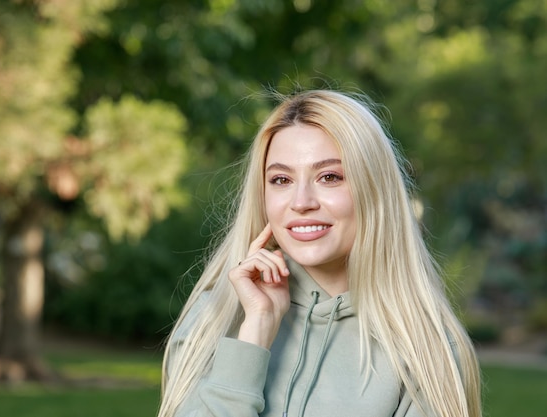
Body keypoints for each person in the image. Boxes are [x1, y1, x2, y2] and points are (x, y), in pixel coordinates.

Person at [157, 89, 482, 417]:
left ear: (373, 188)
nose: (301, 202)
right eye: (281, 179)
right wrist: (255, 332)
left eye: (330, 177)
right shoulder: (213, 318)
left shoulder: (426, 349)